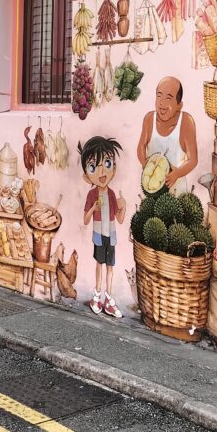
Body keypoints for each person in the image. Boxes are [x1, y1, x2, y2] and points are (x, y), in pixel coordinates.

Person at [80, 136, 126, 318]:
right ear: (86, 175)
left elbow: (119, 219)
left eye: (106, 163)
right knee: (99, 265)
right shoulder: (92, 194)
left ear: (114, 168)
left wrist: (124, 206)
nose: (101, 172)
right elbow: (85, 219)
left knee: (110, 267)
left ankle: (108, 299)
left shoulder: (113, 194)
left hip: (111, 236)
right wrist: (93, 208)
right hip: (99, 235)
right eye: (93, 167)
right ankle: (96, 296)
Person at [137, 76, 199, 192]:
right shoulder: (149, 119)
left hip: (177, 190)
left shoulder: (186, 121)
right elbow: (141, 145)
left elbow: (193, 160)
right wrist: (145, 164)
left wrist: (177, 173)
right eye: (159, 95)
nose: (162, 102)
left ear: (179, 105)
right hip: (152, 187)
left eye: (169, 98)